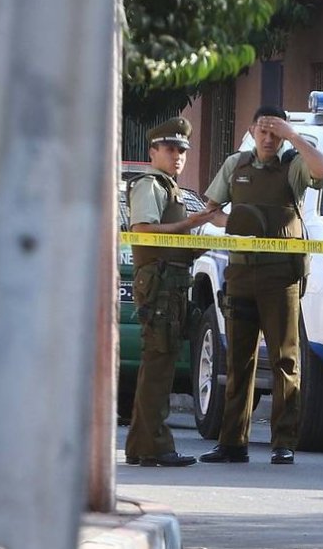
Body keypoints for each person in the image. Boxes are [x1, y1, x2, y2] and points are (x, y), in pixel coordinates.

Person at [199, 106, 323, 466]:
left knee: (284, 360)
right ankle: (232, 442)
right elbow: (211, 206)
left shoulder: (293, 164)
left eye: (275, 133)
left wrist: (293, 134)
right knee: (239, 360)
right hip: (241, 273)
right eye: (264, 132)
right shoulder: (236, 165)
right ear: (252, 131)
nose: (269, 139)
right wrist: (235, 225)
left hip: (281, 277)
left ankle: (283, 441)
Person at [124, 117, 219, 467]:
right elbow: (145, 231)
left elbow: (170, 241)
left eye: (182, 150)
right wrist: (191, 224)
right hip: (160, 288)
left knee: (158, 366)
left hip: (172, 284)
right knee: (158, 368)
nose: (177, 155)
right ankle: (155, 446)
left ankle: (140, 444)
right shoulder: (151, 184)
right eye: (169, 148)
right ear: (153, 151)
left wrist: (199, 242)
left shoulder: (169, 186)